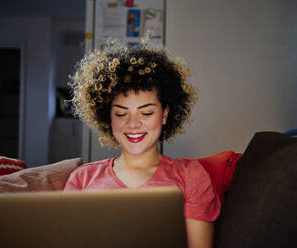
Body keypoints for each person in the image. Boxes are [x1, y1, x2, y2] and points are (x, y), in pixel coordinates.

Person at [64, 37, 221, 248]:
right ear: (107, 118)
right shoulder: (82, 178)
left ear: (164, 115)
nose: (133, 124)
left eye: (146, 112)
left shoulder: (190, 175)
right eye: (121, 114)